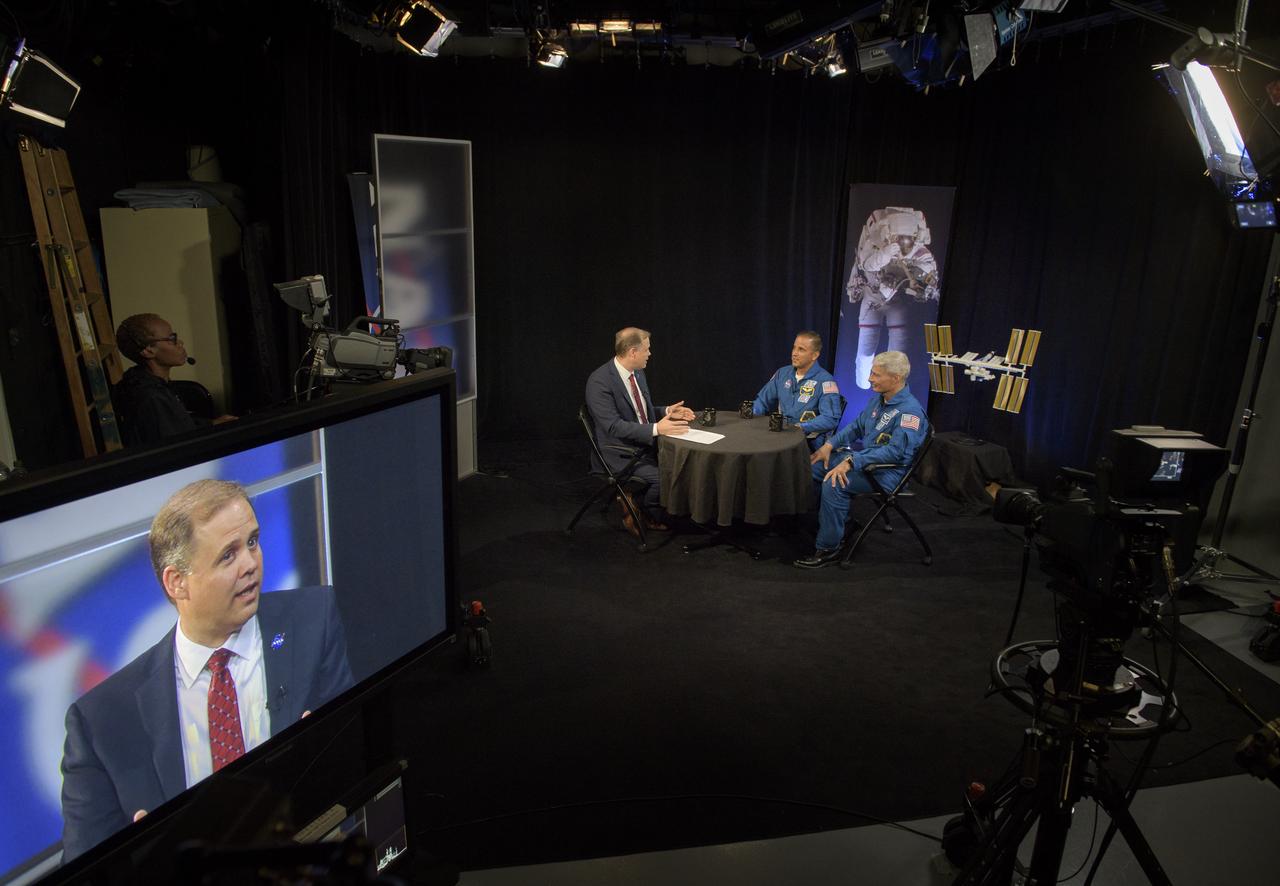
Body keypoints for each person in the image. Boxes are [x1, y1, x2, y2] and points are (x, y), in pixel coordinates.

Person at [60, 480, 355, 861]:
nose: (251, 563)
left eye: (252, 541)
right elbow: (83, 870)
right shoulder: (100, 721)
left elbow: (358, 765)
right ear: (176, 582)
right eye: (228, 555)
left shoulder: (314, 621)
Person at [795, 351, 928, 569]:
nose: (869, 379)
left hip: (889, 472)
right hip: (866, 461)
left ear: (895, 378)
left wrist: (851, 461)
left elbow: (895, 453)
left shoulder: (910, 413)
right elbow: (856, 426)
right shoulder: (880, 399)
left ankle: (829, 548)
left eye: (876, 375)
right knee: (816, 465)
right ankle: (840, 523)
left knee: (834, 481)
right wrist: (830, 445)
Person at [584, 327, 695, 537]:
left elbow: (639, 412)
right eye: (647, 349)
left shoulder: (637, 373)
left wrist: (668, 411)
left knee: (684, 463)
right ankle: (645, 510)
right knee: (665, 478)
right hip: (619, 452)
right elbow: (613, 426)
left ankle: (640, 501)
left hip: (642, 443)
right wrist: (656, 428)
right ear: (633, 352)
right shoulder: (599, 382)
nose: (650, 354)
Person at [845, 207, 940, 389]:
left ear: (915, 236)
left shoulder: (920, 252)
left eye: (908, 239)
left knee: (897, 353)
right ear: (888, 235)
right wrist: (887, 253)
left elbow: (930, 273)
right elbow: (868, 265)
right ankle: (863, 382)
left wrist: (923, 279)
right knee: (866, 350)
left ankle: (890, 385)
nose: (904, 243)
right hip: (873, 298)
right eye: (899, 238)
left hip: (898, 302)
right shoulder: (874, 245)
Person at [113, 313, 234, 446]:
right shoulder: (152, 397)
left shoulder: (146, 381)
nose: (180, 343)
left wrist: (211, 424)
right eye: (172, 339)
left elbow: (179, 424)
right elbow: (180, 446)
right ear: (148, 351)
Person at [752, 331, 843, 450]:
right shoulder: (782, 373)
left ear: (814, 355)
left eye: (801, 349)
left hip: (807, 443)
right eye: (794, 348)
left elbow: (830, 419)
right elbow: (762, 401)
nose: (794, 353)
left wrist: (802, 427)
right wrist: (751, 413)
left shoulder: (825, 381)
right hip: (780, 436)